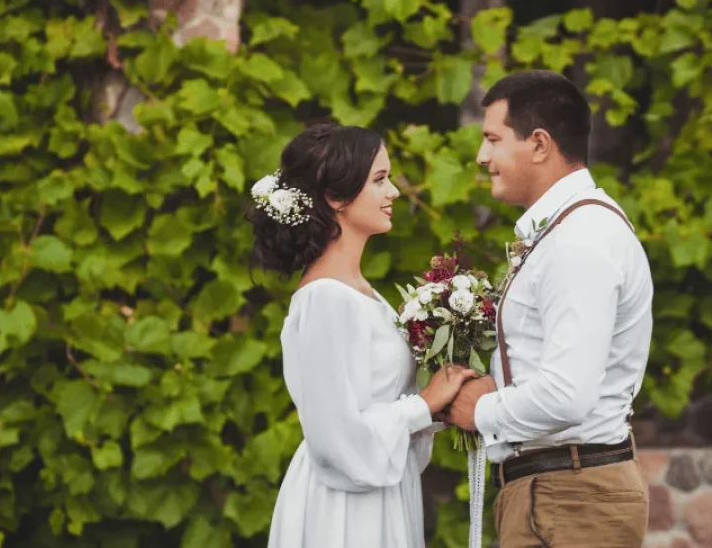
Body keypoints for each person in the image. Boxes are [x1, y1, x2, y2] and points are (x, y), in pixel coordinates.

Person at [446, 70, 655, 547]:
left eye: (493, 140)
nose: (482, 157)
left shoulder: (578, 240)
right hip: (558, 492)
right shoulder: (567, 231)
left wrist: (482, 409)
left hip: (570, 498)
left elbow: (566, 394)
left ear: (539, 144)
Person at [257, 122, 478, 548]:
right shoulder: (325, 300)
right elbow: (337, 437)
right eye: (379, 179)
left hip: (382, 492)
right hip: (343, 509)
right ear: (336, 197)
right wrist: (423, 405)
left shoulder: (363, 295)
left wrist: (437, 408)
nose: (394, 191)